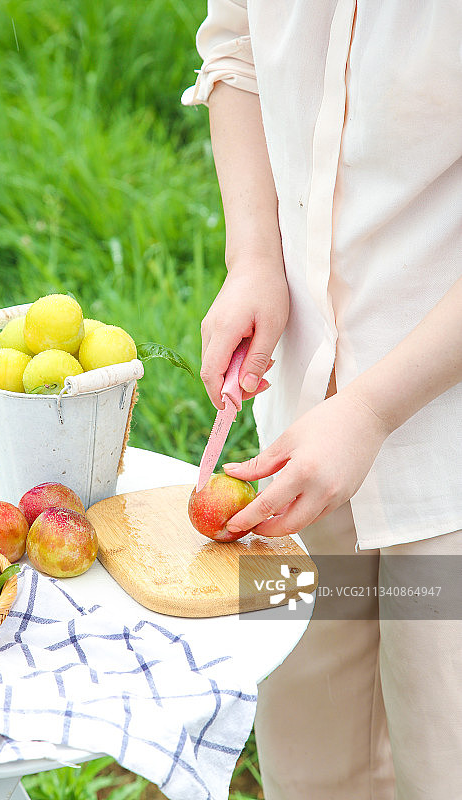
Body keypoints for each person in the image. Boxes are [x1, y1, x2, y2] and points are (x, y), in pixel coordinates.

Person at [182, 2, 462, 798]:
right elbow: (235, 49)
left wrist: (372, 409)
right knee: (304, 750)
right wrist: (254, 259)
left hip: (447, 458)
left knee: (446, 754)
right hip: (294, 428)